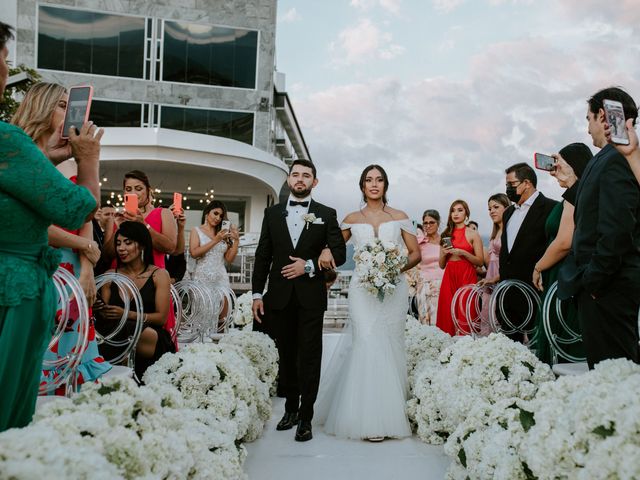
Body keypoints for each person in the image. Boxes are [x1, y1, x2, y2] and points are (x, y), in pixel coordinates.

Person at [0, 21, 101, 431]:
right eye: (4, 61)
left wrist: (53, 159)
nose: (6, 72)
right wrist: (89, 161)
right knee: (9, 412)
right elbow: (78, 209)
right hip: (16, 289)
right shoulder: (9, 139)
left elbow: (18, 199)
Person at [12, 81, 111, 392]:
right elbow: (64, 216)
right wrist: (85, 243)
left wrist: (87, 266)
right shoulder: (18, 152)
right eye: (62, 106)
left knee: (67, 355)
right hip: (29, 272)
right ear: (40, 108)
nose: (72, 113)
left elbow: (84, 213)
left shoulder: (54, 157)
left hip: (64, 272)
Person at [315, 164, 421, 442]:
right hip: (362, 289)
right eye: (368, 180)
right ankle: (366, 416)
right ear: (362, 186)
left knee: (391, 341)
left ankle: (392, 411)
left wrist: (392, 269)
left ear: (386, 185)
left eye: (379, 180)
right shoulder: (351, 218)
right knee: (366, 339)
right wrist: (326, 248)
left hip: (393, 288)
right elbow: (336, 249)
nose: (374, 184)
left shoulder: (400, 217)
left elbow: (415, 253)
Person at [252, 159, 346, 442]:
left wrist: (309, 266)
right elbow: (263, 255)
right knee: (287, 355)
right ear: (289, 180)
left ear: (314, 182)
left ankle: (306, 416)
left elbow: (339, 254)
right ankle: (290, 408)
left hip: (310, 296)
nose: (300, 179)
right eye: (296, 175)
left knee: (309, 356)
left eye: (306, 175)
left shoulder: (326, 214)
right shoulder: (272, 213)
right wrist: (257, 293)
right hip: (279, 297)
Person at [558, 87, 640, 368]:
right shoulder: (602, 159)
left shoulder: (618, 159)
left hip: (608, 286)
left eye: (588, 118)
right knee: (602, 369)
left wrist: (595, 280)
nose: (587, 128)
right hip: (600, 284)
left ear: (602, 115)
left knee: (615, 374)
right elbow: (591, 212)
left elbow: (617, 226)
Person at [530, 143, 592, 364]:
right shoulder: (572, 195)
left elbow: (565, 241)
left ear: (574, 166)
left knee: (562, 333)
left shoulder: (575, 197)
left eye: (560, 164)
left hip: (563, 271)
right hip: (557, 270)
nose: (555, 171)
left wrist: (538, 266)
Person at [95, 222, 176, 379]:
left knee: (129, 330)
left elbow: (161, 318)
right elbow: (105, 317)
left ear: (142, 245)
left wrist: (126, 314)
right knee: (108, 331)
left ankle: (116, 378)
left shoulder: (159, 275)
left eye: (128, 243)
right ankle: (122, 378)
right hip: (114, 332)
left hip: (149, 334)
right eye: (118, 243)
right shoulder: (110, 275)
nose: (121, 248)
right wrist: (101, 309)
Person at [500, 163, 558, 342]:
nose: (508, 189)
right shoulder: (508, 212)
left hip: (535, 289)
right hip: (507, 290)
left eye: (511, 184)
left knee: (538, 342)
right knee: (509, 345)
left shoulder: (551, 208)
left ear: (526, 183)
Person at [104, 170, 177, 268]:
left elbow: (170, 248)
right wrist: (118, 229)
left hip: (153, 277)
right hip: (121, 277)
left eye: (138, 189)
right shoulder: (116, 217)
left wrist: (144, 225)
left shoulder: (164, 213)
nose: (133, 193)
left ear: (148, 190)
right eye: (128, 189)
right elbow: (107, 256)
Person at [436, 200, 484, 336]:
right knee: (447, 313)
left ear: (466, 213)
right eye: (453, 210)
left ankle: (466, 348)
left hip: (466, 275)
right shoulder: (446, 235)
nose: (455, 213)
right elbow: (441, 265)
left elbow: (480, 262)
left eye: (460, 210)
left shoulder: (473, 234)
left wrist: (462, 252)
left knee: (466, 312)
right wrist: (444, 254)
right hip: (449, 275)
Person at [190, 200, 239, 322]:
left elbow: (229, 259)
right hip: (203, 278)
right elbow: (194, 253)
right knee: (202, 318)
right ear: (207, 213)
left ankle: (221, 340)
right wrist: (216, 240)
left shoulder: (222, 234)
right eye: (215, 213)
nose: (218, 218)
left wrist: (236, 241)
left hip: (221, 278)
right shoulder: (196, 231)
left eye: (221, 216)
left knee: (222, 319)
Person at [477, 193, 510, 336]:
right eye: (490, 208)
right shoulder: (495, 232)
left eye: (496, 207)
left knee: (502, 317)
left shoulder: (510, 231)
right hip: (489, 280)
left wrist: (495, 278)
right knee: (487, 316)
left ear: (507, 207)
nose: (492, 211)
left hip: (502, 278)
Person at [415, 209, 444, 325]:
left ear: (438, 223)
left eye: (431, 222)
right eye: (425, 223)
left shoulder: (445, 241)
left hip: (442, 284)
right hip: (424, 285)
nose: (428, 225)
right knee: (425, 319)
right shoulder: (419, 242)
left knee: (441, 319)